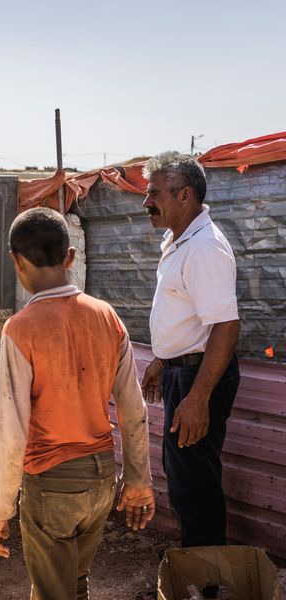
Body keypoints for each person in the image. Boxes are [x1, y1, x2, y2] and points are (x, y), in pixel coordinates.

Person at [0, 207, 154, 600]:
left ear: (16, 261)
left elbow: (12, 434)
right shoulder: (107, 317)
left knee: (52, 592)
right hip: (99, 481)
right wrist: (138, 481)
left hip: (53, 484)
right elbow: (133, 410)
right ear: (71, 257)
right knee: (73, 585)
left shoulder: (20, 329)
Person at [140, 152, 240, 548]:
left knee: (194, 483)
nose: (146, 202)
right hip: (183, 372)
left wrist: (198, 397)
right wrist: (162, 360)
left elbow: (225, 326)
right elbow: (189, 318)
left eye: (154, 193)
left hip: (201, 378)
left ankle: (205, 579)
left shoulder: (204, 248)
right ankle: (197, 571)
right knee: (184, 477)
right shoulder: (179, 241)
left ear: (184, 195)